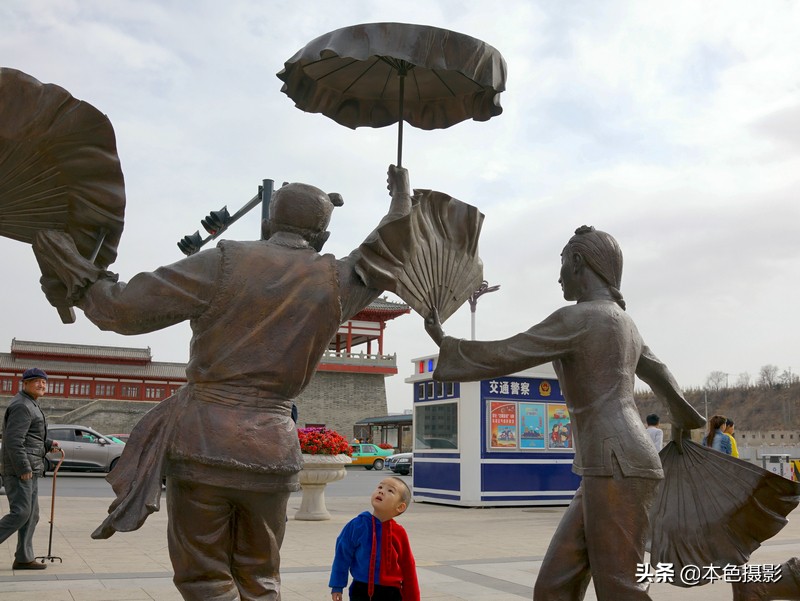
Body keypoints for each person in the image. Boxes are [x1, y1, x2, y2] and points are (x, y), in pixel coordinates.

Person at [33, 165, 414, 601]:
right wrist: (401, 196)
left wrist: (74, 269)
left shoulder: (223, 261)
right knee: (260, 578)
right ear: (322, 237)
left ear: (268, 223)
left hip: (204, 442)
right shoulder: (336, 280)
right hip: (273, 448)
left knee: (204, 579)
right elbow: (390, 249)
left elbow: (120, 311)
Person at [424, 225, 705, 601]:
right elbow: (660, 375)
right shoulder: (625, 323)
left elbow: (509, 352)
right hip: (609, 465)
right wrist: (685, 421)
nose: (558, 277)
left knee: (619, 585)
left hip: (614, 464)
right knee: (556, 584)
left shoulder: (579, 318)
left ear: (577, 262)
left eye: (561, 265)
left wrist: (445, 342)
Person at [0, 368, 59, 570]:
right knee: (21, 513)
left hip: (31, 468)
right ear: (24, 383)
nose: (41, 385)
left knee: (31, 515)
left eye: (44, 381)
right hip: (20, 469)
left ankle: (24, 558)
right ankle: (23, 557)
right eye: (36, 381)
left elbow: (32, 436)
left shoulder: (31, 404)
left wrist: (48, 443)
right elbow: (13, 440)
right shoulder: (22, 406)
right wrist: (23, 466)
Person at [329, 476, 419, 601]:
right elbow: (342, 556)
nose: (381, 491)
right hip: (361, 590)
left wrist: (413, 598)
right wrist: (337, 585)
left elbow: (408, 566)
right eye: (380, 487)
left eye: (390, 491)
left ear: (400, 507)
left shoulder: (399, 533)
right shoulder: (357, 525)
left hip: (391, 592)